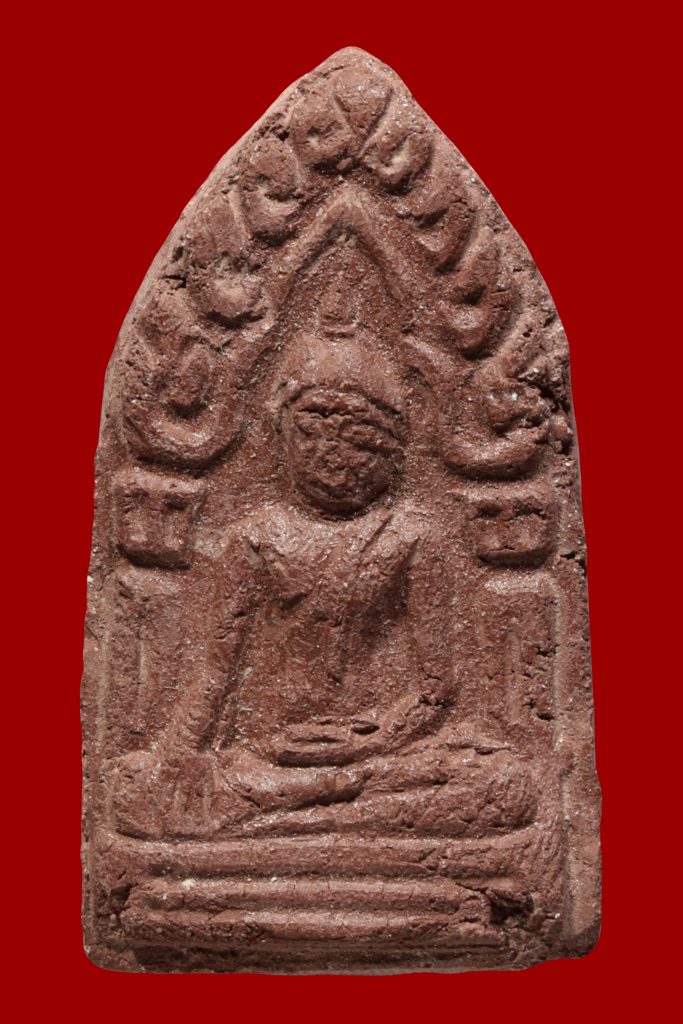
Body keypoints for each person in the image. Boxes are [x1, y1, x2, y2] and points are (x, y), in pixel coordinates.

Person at [113, 332, 536, 840]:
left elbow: (436, 691)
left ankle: (295, 818)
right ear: (282, 435)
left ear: (392, 447)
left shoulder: (412, 538)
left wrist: (370, 742)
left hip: (383, 756)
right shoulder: (256, 536)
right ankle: (326, 813)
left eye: (356, 435)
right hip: (269, 756)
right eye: (312, 429)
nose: (331, 453)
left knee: (505, 782)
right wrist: (179, 757)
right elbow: (214, 674)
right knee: (134, 787)